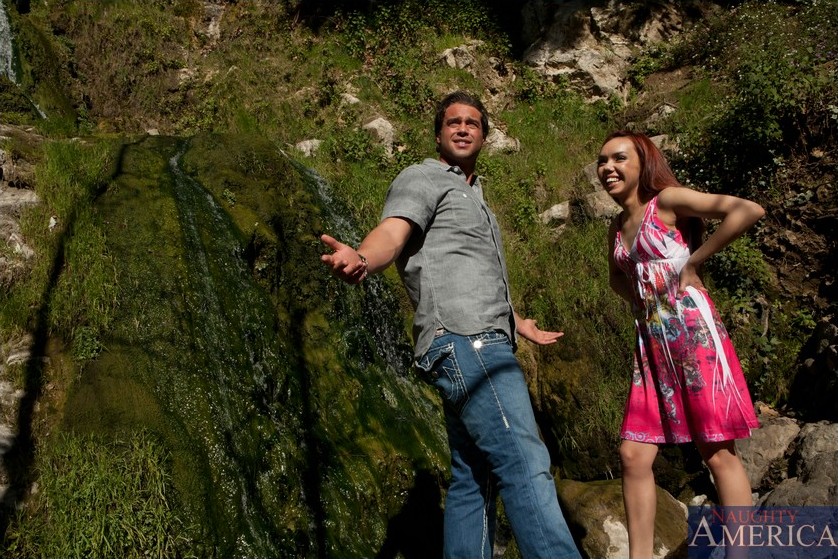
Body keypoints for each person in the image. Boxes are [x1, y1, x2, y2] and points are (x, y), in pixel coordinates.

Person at [321, 91, 581, 559]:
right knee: (524, 461)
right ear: (439, 134)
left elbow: (465, 271)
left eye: (472, 123)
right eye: (453, 122)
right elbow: (393, 232)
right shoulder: (422, 177)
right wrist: (362, 257)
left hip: (477, 338)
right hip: (468, 342)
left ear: (484, 136)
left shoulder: (476, 197)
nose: (463, 128)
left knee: (474, 479)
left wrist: (516, 321)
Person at [597, 130, 763, 558]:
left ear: (643, 164)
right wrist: (642, 301)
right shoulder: (617, 226)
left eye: (619, 158)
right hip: (652, 346)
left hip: (692, 336)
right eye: (602, 161)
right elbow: (617, 277)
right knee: (633, 455)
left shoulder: (666, 201)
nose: (608, 168)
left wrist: (694, 262)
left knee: (717, 451)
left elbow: (746, 210)